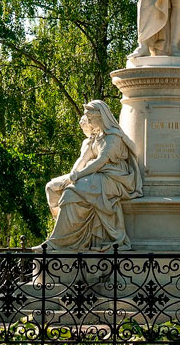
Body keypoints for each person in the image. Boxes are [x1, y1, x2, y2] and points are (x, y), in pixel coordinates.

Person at [42, 101, 143, 251]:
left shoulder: (113, 137)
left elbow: (100, 162)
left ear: (101, 117)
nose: (88, 122)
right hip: (99, 174)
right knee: (52, 187)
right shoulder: (97, 136)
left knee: (70, 192)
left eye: (90, 118)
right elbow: (84, 159)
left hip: (115, 179)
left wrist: (79, 175)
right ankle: (66, 232)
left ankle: (59, 242)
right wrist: (73, 174)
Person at [45, 114, 95, 219]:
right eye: (82, 128)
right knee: (50, 187)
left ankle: (61, 221)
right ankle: (59, 220)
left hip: (85, 175)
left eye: (84, 127)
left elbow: (83, 160)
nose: (83, 130)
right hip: (79, 174)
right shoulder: (86, 141)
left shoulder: (95, 141)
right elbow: (81, 159)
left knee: (51, 187)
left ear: (91, 126)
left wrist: (73, 174)